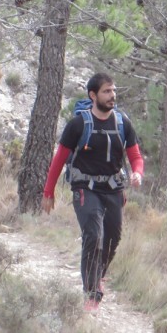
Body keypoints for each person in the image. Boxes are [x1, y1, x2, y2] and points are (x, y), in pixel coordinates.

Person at [41, 72, 145, 311]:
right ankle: (91, 293)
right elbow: (59, 160)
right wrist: (49, 191)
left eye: (114, 90)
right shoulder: (78, 124)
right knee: (93, 236)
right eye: (107, 91)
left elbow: (136, 157)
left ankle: (98, 275)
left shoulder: (122, 123)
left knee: (113, 239)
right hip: (84, 189)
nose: (112, 96)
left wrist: (137, 173)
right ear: (93, 95)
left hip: (113, 189)